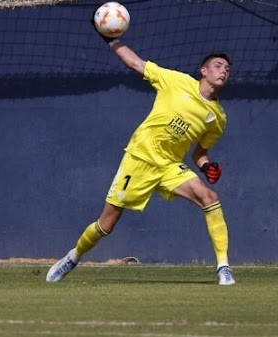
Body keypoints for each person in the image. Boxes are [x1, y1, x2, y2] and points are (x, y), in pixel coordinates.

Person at [46, 14, 235, 285]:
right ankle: (72, 257)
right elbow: (135, 63)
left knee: (210, 197)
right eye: (218, 65)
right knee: (106, 226)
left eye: (228, 69)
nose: (224, 70)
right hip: (139, 158)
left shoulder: (218, 118)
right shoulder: (176, 81)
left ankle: (223, 268)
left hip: (169, 166)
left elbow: (198, 153)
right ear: (203, 71)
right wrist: (110, 39)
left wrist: (206, 166)